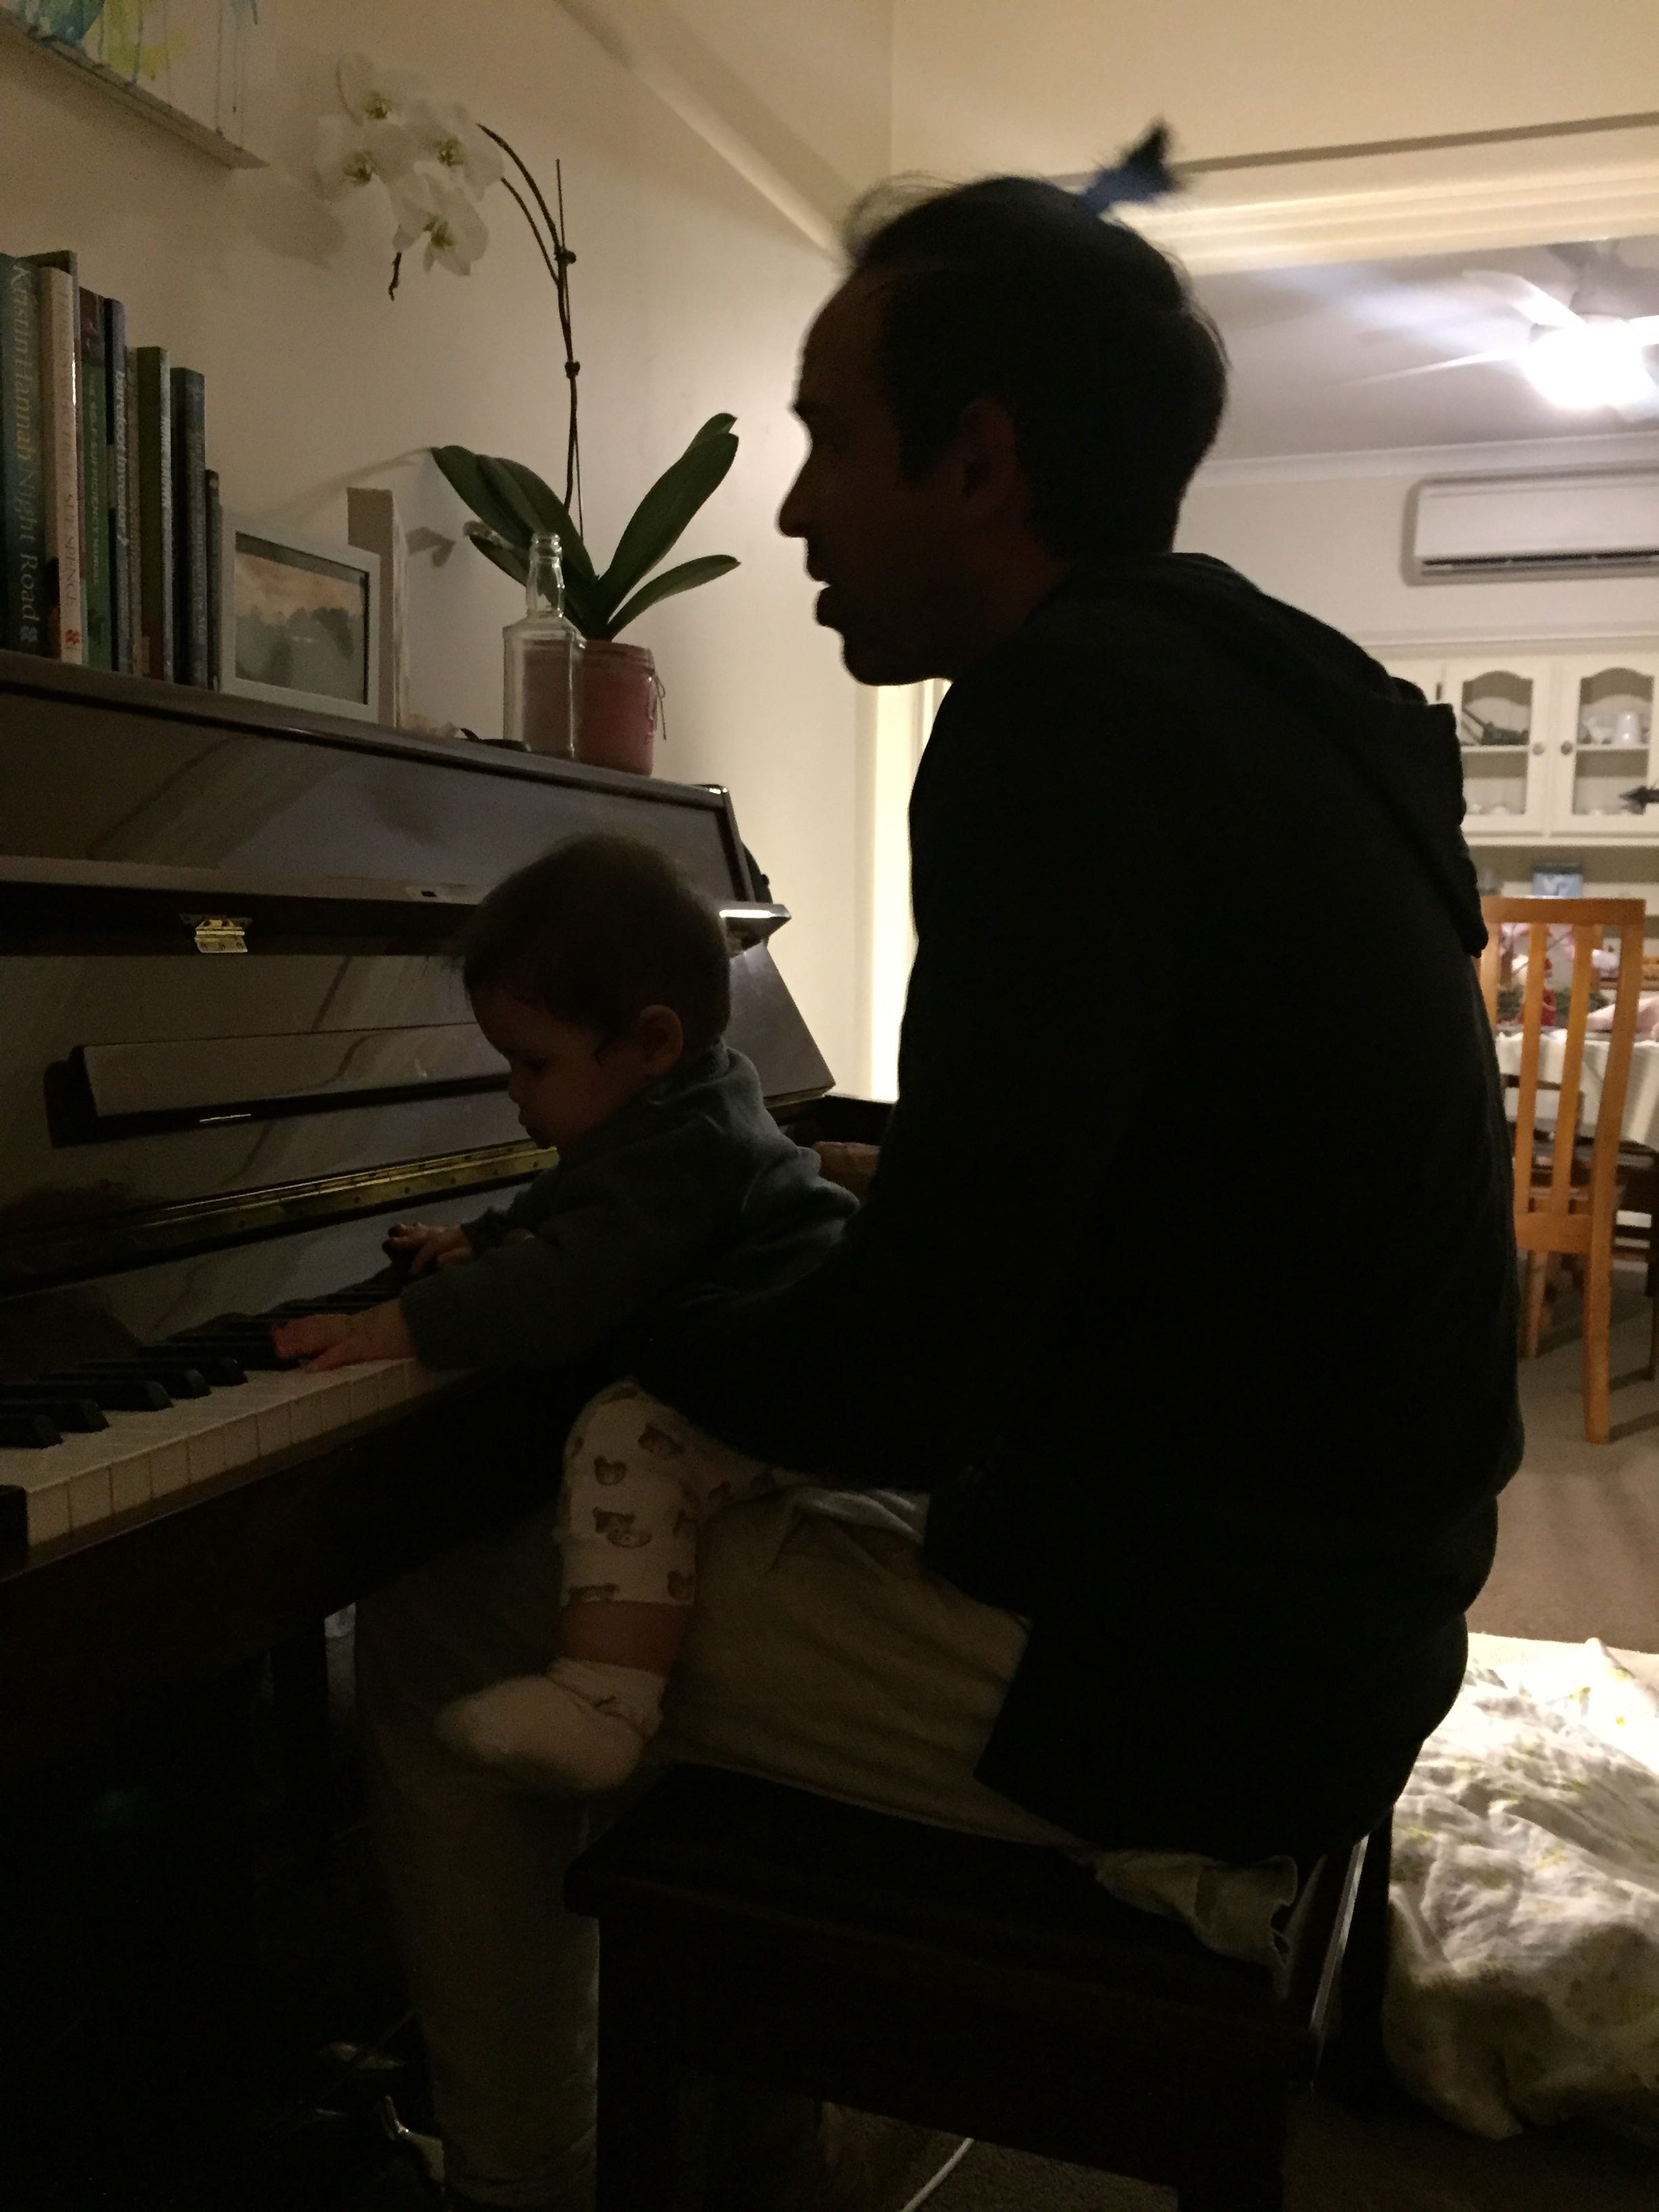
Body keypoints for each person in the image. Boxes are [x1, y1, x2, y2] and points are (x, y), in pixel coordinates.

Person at [353, 177, 1521, 2212]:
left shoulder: (1061, 720)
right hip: (1344, 1599)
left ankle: (529, 2181)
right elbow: (1135, 1184)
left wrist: (616, 1298)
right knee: (679, 1522)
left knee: (448, 1613)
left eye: (829, 440)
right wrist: (820, 1211)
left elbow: (912, 1374)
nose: (797, 511)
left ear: (980, 461)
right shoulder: (1264, 692)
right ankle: (736, 2130)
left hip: (1198, 1681)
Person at [273, 832, 857, 1796]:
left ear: (654, 1042)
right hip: (793, 1359)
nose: (513, 1091)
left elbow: (566, 1285)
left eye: (533, 1065)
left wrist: (396, 1326)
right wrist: (478, 1239)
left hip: (807, 1386)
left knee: (628, 1435)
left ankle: (604, 1702)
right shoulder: (675, 1103)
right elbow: (567, 1204)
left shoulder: (684, 1152)